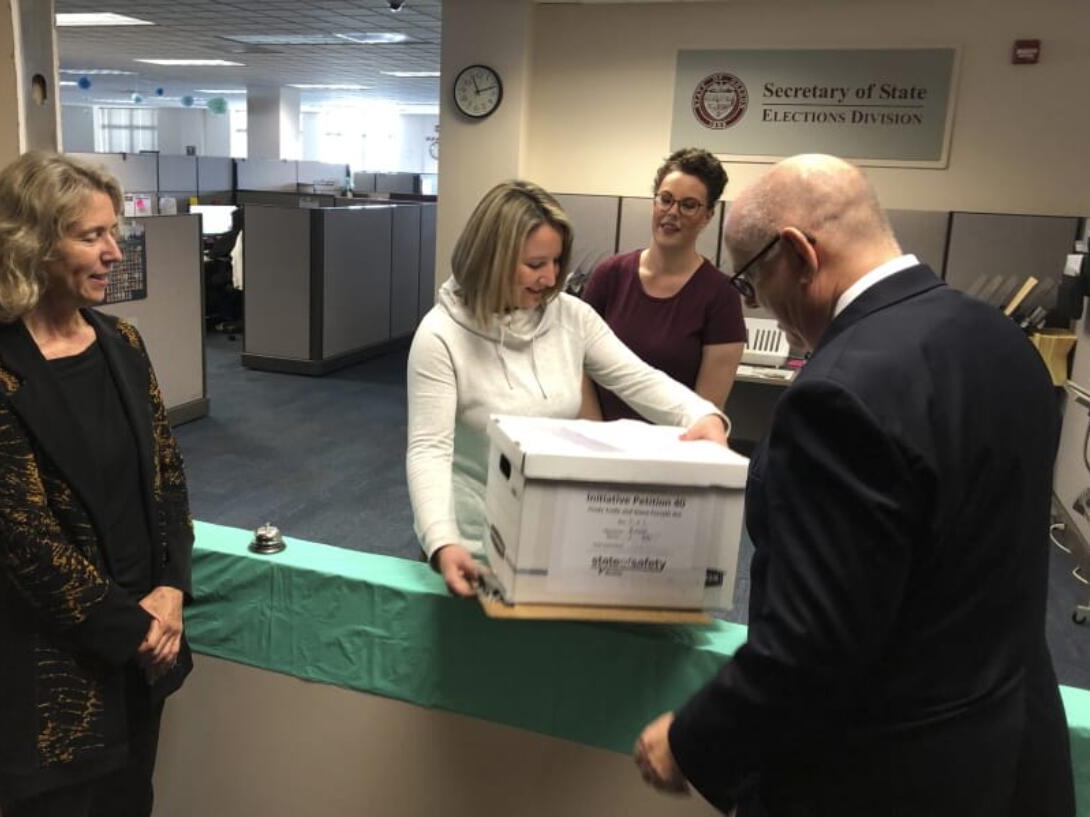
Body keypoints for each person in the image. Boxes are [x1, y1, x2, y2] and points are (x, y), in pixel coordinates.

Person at [633, 155, 1074, 815]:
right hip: (1012, 751)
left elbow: (813, 642)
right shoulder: (999, 339)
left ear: (797, 253)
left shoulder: (837, 396)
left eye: (753, 282)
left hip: (883, 775)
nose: (761, 306)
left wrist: (692, 738)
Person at [0, 152, 194, 817]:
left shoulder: (123, 342)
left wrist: (171, 588)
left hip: (142, 659)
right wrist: (139, 625)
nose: (116, 251)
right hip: (54, 680)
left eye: (115, 232)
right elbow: (31, 545)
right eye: (92, 235)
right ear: (31, 246)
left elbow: (166, 477)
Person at [406, 180, 729, 596]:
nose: (551, 277)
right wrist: (441, 540)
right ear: (491, 259)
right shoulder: (440, 335)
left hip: (550, 539)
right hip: (471, 545)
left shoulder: (571, 317)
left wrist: (701, 413)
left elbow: (638, 377)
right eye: (535, 264)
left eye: (556, 261)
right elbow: (429, 449)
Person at [582, 148, 745, 417]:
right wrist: (593, 435)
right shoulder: (609, 276)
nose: (672, 212)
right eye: (665, 199)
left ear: (708, 216)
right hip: (597, 443)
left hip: (671, 450)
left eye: (689, 205)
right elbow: (579, 368)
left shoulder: (720, 296)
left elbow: (708, 408)